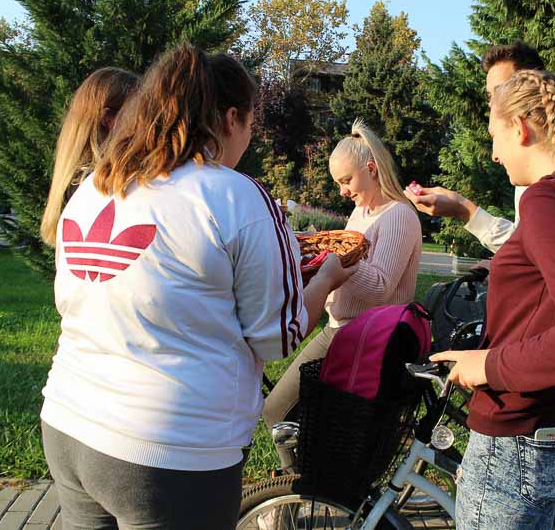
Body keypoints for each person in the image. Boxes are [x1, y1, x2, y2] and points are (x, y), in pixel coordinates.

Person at [40, 43, 355, 530]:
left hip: (68, 421)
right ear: (230, 118)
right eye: (250, 124)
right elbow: (275, 336)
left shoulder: (97, 184)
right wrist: (328, 278)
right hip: (169, 450)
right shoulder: (236, 194)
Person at [405, 41, 555, 530]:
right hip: (552, 417)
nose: (494, 154)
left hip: (516, 438)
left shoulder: (547, 200)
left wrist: (488, 364)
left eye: (494, 136)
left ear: (520, 128)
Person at [263, 118, 423, 468]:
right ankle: (300, 484)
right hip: (341, 330)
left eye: (346, 181)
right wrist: (322, 262)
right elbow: (341, 266)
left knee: (283, 411)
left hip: (367, 337)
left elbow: (380, 287)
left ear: (371, 169)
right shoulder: (361, 212)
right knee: (285, 413)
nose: (342, 191)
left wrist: (333, 259)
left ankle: (300, 487)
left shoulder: (399, 216)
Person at [40, 67, 140, 246]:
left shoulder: (75, 179)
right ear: (108, 119)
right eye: (137, 113)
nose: (145, 122)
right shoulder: (99, 182)